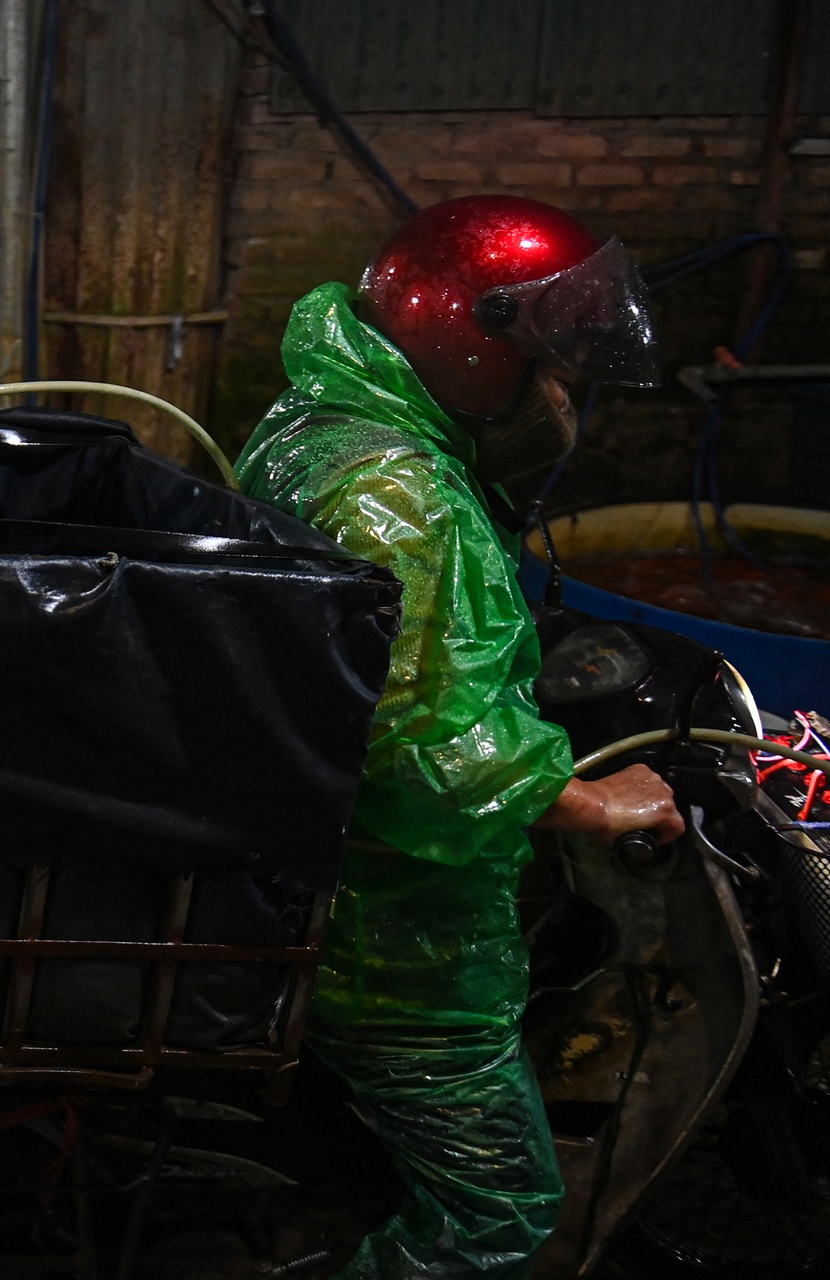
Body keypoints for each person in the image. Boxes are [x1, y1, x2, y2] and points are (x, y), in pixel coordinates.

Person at [235, 195, 683, 1280]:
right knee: (500, 1213)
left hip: (303, 867)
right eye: (553, 369)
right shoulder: (406, 498)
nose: (564, 398)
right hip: (396, 943)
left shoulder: (320, 422)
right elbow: (416, 749)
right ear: (470, 346)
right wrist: (591, 799)